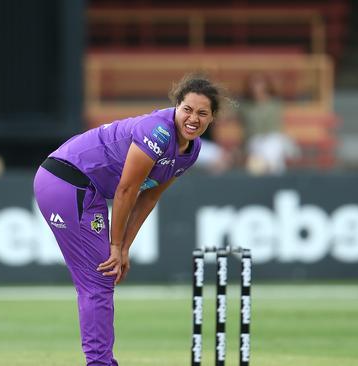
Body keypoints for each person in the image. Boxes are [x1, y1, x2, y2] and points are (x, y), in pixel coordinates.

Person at [33, 74, 225, 365]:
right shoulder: (158, 132)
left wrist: (123, 248)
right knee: (98, 279)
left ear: (212, 118)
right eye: (187, 109)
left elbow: (148, 197)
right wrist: (115, 245)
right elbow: (127, 189)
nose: (193, 118)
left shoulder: (192, 150)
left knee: (102, 277)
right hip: (65, 180)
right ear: (176, 106)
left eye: (202, 113)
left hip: (87, 189)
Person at [240, 73, 297, 175]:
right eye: (253, 84)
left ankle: (265, 167)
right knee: (273, 154)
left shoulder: (275, 104)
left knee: (273, 144)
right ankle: (274, 172)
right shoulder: (246, 106)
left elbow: (279, 127)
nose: (255, 87)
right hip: (255, 141)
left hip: (274, 139)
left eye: (258, 83)